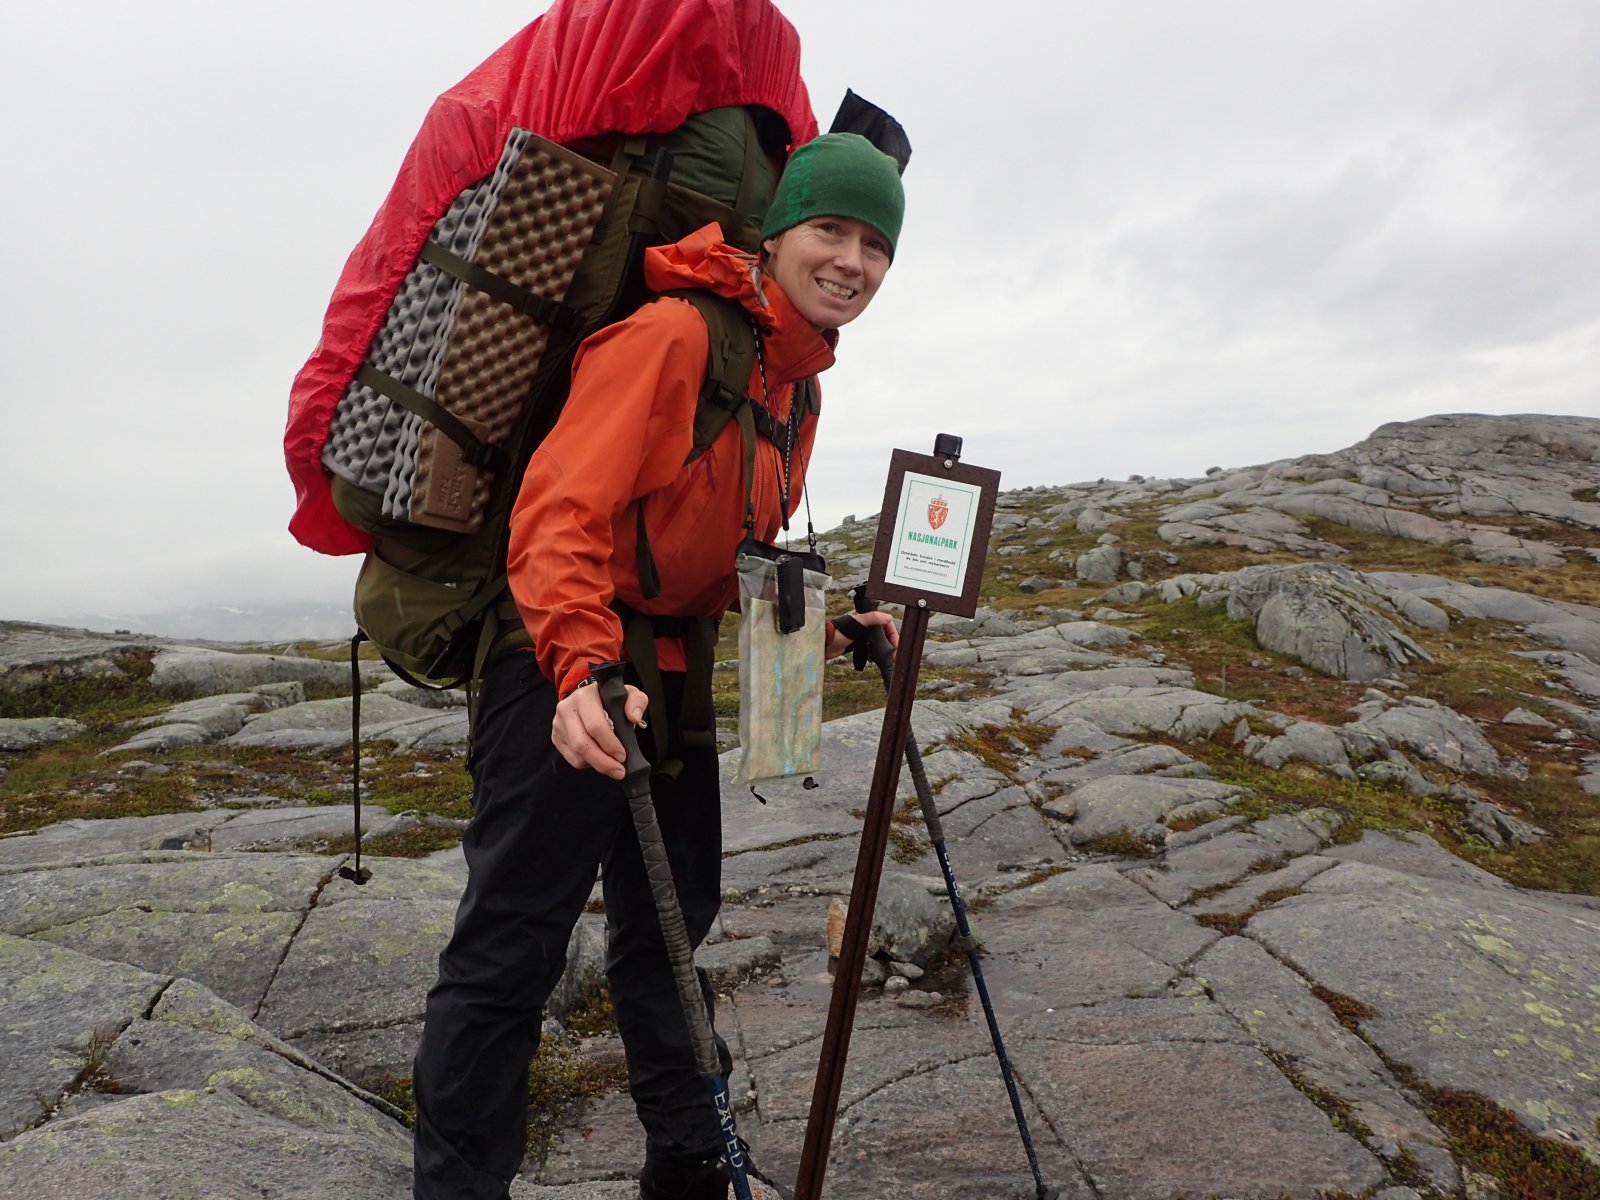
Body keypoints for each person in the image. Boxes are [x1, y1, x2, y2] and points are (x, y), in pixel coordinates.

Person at [410, 131, 906, 1200]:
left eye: (875, 244)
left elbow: (716, 552)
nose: (851, 261)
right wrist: (579, 670)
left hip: (670, 673)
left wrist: (826, 630)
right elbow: (558, 513)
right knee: (510, 951)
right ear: (776, 231)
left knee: (671, 936)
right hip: (564, 666)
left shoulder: (797, 389)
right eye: (830, 229)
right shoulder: (672, 335)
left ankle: (687, 1170)